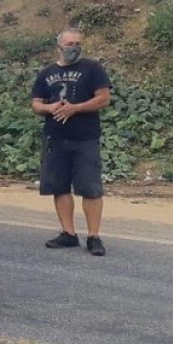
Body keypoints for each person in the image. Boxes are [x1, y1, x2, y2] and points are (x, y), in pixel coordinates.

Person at [30, 29, 113, 256]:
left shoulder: (92, 69)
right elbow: (36, 103)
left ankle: (94, 237)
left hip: (85, 138)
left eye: (78, 43)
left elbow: (104, 98)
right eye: (69, 43)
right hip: (55, 139)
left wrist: (75, 108)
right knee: (59, 186)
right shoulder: (47, 73)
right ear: (59, 46)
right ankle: (68, 234)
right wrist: (50, 108)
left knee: (91, 188)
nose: (74, 46)